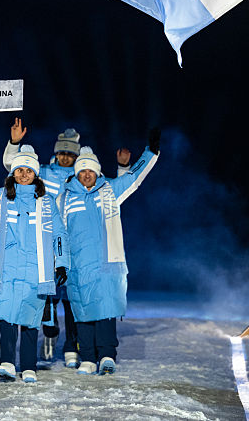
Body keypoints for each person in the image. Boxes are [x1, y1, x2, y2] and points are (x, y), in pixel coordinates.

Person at [2, 118, 131, 368]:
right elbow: (15, 165)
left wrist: (122, 170)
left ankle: (73, 346)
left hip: (77, 247)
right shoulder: (46, 173)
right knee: (48, 297)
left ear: (76, 156)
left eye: (69, 154)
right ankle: (50, 336)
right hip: (46, 240)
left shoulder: (80, 177)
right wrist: (15, 143)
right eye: (60, 152)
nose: (64, 157)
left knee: (74, 298)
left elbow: (113, 192)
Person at [0, 145, 68, 384]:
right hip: (7, 268)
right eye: (19, 169)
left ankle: (29, 366)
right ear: (13, 173)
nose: (23, 174)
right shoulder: (1, 196)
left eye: (28, 170)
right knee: (7, 316)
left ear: (35, 174)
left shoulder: (46, 202)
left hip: (37, 269)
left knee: (30, 318)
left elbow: (59, 234)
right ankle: (7, 362)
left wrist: (62, 262)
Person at [62, 129, 160, 375]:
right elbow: (57, 235)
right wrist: (60, 263)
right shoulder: (63, 199)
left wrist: (151, 152)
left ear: (97, 172)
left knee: (105, 311)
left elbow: (135, 177)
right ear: (77, 173)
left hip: (106, 264)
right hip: (78, 266)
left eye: (90, 171)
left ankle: (107, 355)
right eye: (82, 171)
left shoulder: (110, 191)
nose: (86, 175)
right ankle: (87, 357)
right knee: (83, 313)